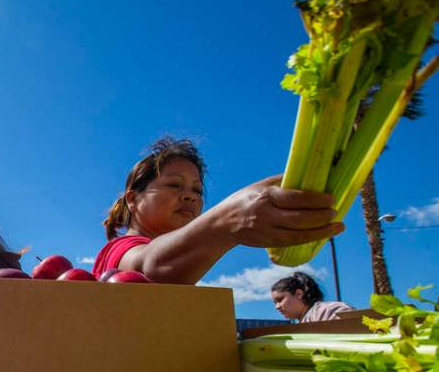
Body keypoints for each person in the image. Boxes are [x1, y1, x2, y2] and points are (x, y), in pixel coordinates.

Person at [91, 137, 344, 284]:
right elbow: (149, 268)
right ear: (133, 200)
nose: (189, 195)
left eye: (197, 190)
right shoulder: (119, 250)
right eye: (174, 185)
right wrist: (226, 223)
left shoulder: (179, 257)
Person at [271, 272, 353, 322]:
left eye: (280, 300)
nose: (276, 307)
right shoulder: (302, 321)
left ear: (299, 294)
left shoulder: (328, 310)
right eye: (275, 303)